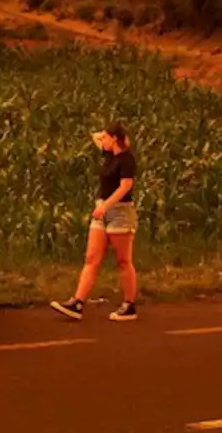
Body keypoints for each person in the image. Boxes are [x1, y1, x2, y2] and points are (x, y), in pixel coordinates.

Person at [50, 123, 139, 322]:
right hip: (102, 210)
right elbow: (95, 136)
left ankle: (129, 304)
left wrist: (106, 206)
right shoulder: (108, 155)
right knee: (92, 258)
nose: (102, 141)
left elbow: (125, 186)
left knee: (123, 260)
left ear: (115, 138)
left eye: (107, 138)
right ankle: (78, 302)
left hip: (120, 212)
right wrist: (104, 135)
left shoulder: (126, 159)